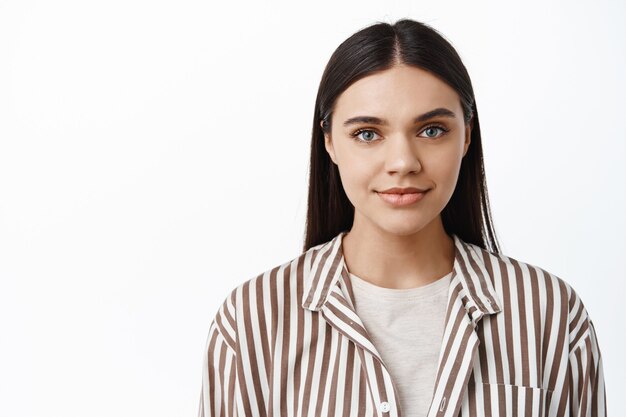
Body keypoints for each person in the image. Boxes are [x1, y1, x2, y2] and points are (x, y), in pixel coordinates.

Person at [197, 18, 606, 417]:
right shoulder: (253, 320)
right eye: (367, 134)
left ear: (466, 135)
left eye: (431, 130)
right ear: (329, 142)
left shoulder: (550, 314)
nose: (403, 162)